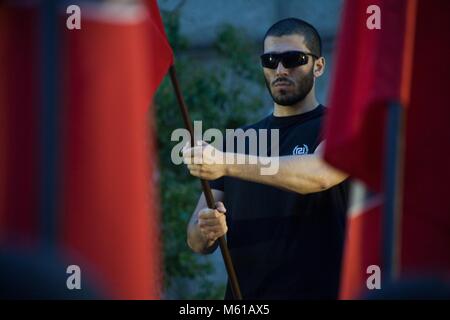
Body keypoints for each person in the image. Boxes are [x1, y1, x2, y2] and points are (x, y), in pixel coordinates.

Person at [183, 18, 350, 299]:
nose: (280, 69)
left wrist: (225, 162)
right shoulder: (237, 142)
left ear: (318, 66)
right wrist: (207, 228)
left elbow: (320, 174)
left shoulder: (340, 126)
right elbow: (196, 241)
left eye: (293, 59)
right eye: (270, 60)